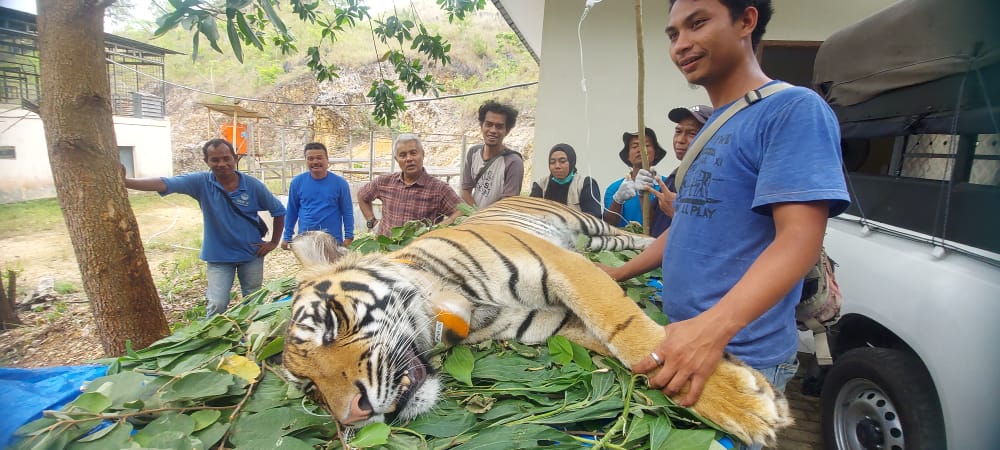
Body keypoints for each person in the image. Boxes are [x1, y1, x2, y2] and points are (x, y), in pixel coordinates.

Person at [607, 0, 850, 435]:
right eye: (673, 34)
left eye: (697, 23)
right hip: (684, 341)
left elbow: (798, 240)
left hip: (740, 357)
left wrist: (711, 332)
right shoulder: (713, 127)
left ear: (746, 20)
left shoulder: (792, 110)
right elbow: (687, 226)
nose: (682, 44)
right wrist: (617, 274)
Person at [124, 138, 286, 317]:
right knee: (217, 303)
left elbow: (278, 211)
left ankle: (249, 339)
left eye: (226, 158)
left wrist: (273, 242)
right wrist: (126, 181)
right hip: (218, 256)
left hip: (251, 254)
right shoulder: (200, 182)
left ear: (235, 158)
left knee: (253, 300)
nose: (221, 164)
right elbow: (164, 183)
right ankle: (213, 340)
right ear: (206, 162)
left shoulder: (252, 185)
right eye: (215, 160)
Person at [358, 134, 463, 235]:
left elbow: (462, 212)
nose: (409, 159)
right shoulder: (384, 182)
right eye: (402, 155)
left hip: (417, 251)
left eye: (413, 153)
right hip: (385, 250)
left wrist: (436, 231)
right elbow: (362, 195)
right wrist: (372, 223)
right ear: (396, 159)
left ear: (422, 154)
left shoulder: (439, 189)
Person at [649, 104, 715, 227]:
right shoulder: (675, 176)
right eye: (678, 131)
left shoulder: (710, 180)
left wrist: (678, 213)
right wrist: (644, 193)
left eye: (691, 133)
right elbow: (655, 222)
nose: (680, 140)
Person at [280, 142, 354, 249]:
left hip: (332, 240)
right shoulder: (297, 182)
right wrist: (287, 236)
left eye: (319, 158)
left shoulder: (340, 183)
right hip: (305, 241)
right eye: (310, 159)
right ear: (306, 161)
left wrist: (349, 236)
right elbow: (292, 211)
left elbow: (347, 211)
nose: (315, 162)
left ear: (327, 160)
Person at [602, 128, 670, 235]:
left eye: (646, 145)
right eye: (634, 146)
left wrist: (643, 195)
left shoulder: (667, 186)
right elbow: (608, 225)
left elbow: (662, 224)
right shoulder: (615, 188)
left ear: (656, 153)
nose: (640, 149)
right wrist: (617, 200)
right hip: (625, 246)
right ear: (628, 156)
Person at [460, 100, 524, 208]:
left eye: (499, 126)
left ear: (507, 130)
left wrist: (483, 218)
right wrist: (476, 214)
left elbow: (507, 204)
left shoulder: (513, 162)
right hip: (473, 217)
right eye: (488, 124)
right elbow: (465, 191)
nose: (493, 130)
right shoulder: (473, 153)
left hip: (496, 222)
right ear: (481, 126)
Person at [529, 143, 602, 218]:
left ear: (572, 162)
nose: (557, 166)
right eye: (552, 162)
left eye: (562, 161)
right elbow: (531, 212)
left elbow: (594, 217)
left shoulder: (586, 184)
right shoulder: (540, 184)